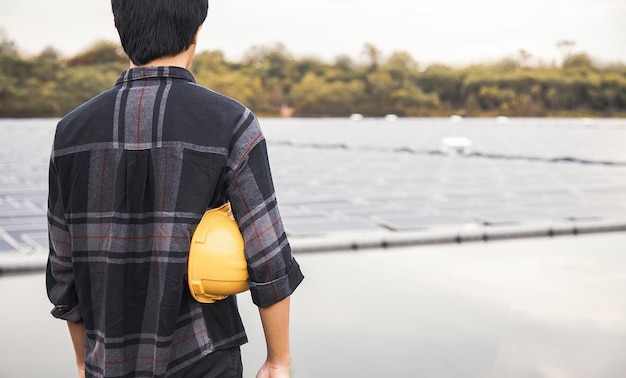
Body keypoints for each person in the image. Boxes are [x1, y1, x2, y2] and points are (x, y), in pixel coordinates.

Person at [46, 0, 304, 376]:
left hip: (108, 359)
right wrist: (278, 359)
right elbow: (269, 257)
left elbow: (64, 269)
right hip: (203, 356)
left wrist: (83, 361)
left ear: (122, 32)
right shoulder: (230, 122)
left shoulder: (70, 131)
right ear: (197, 30)